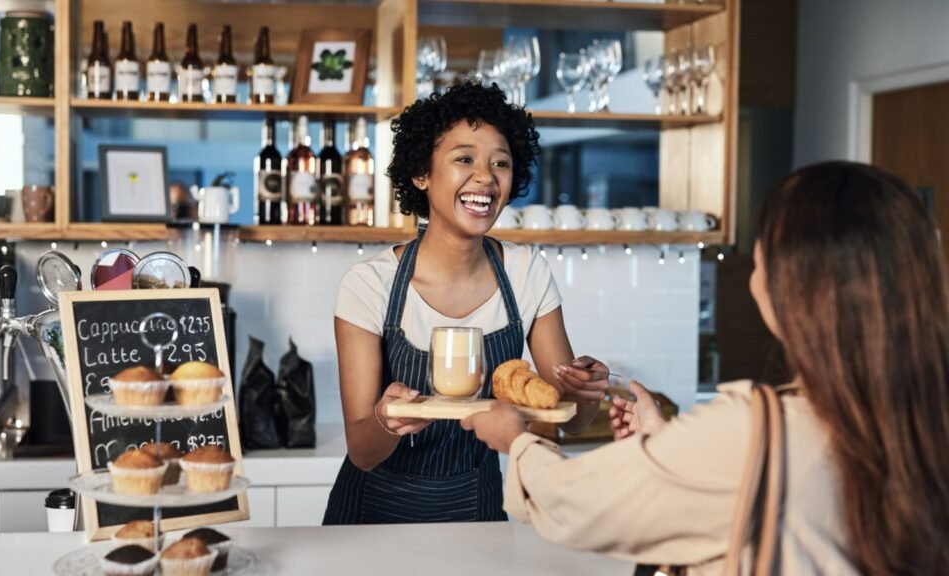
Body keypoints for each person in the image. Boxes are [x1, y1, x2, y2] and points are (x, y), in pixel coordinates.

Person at [464, 162, 949, 574]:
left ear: (796, 289)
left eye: (764, 257)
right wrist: (664, 447)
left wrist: (516, 440)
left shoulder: (755, 429)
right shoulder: (922, 420)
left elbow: (576, 503)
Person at [323, 82, 611, 525]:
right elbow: (362, 451)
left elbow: (567, 420)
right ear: (421, 173)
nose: (486, 177)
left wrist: (586, 391)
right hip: (372, 517)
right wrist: (387, 420)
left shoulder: (525, 272)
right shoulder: (370, 285)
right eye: (464, 159)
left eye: (501, 163)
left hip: (476, 509)